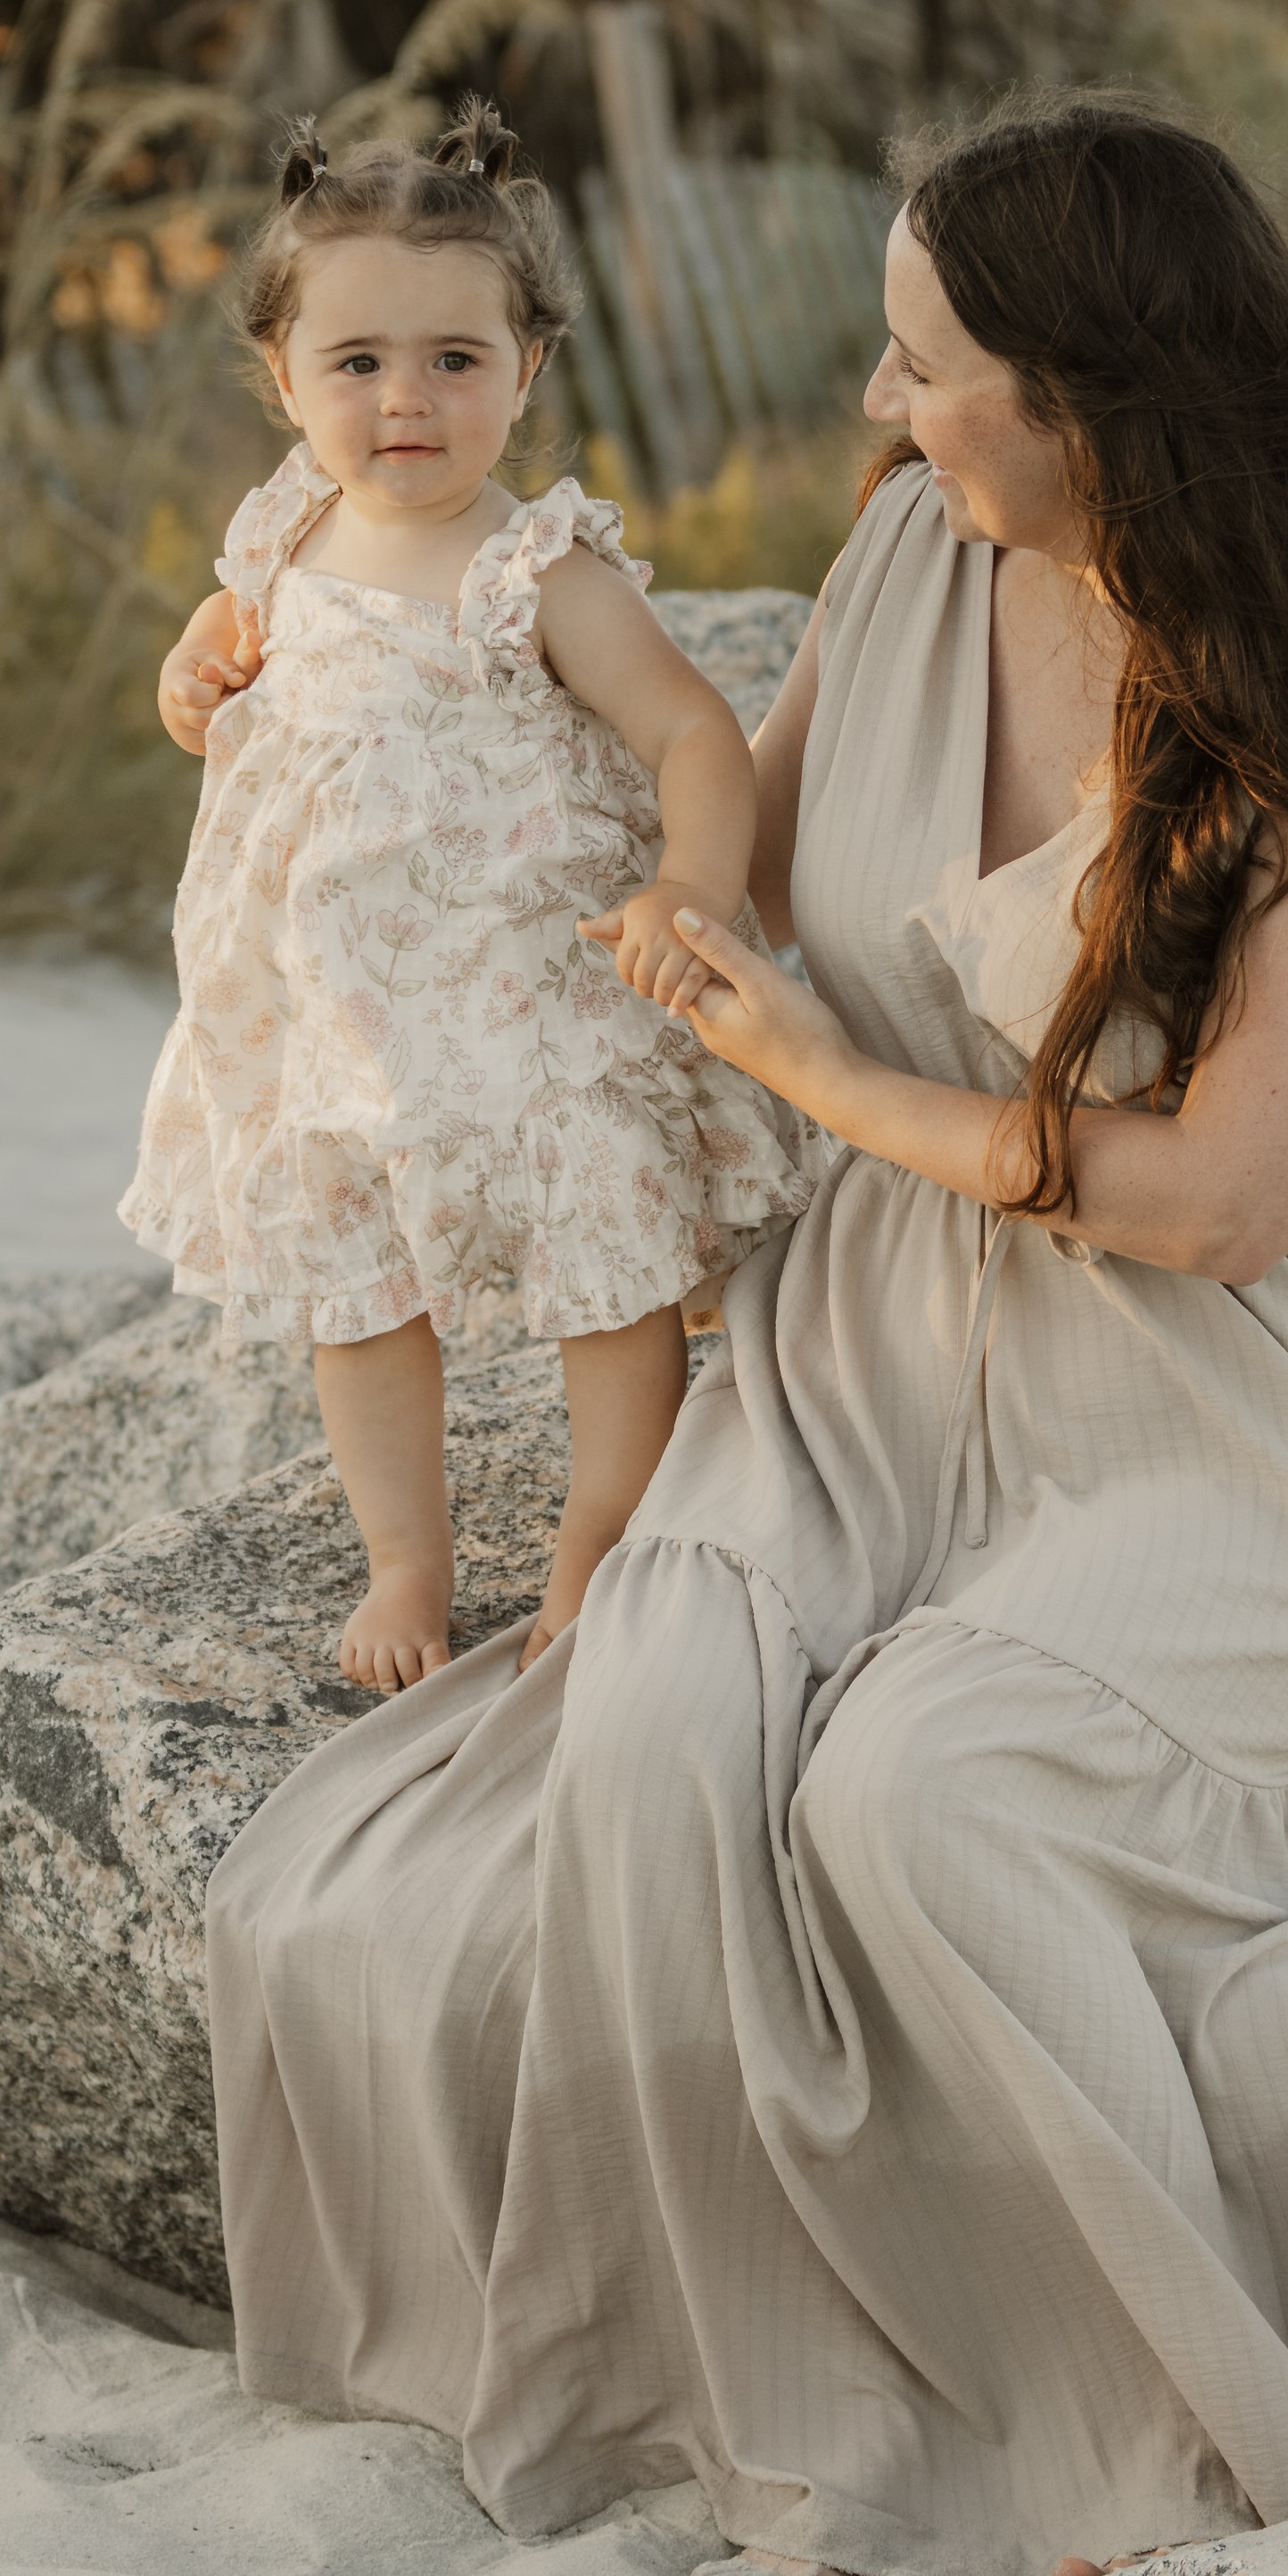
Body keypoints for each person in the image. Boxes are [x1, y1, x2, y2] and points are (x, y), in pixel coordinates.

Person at [205, 95, 1288, 2576]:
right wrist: (305, 679)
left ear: (1088, 396)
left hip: (1213, 1405)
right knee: (648, 1724)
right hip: (866, 1329)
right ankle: (776, 2421)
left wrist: (810, 1070)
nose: (878, 410)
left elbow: (1212, 1197)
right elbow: (683, 797)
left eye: (921, 365)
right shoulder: (901, 554)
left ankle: (1120, 2467)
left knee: (921, 1793)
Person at [122, 97, 821, 1693]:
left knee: (608, 1261)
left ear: (529, 370)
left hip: (535, 1001)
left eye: (455, 358)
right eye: (356, 363)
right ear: (283, 378)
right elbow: (224, 667)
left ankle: (600, 1528)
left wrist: (692, 882)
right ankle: (407, 1555)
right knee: (358, 1290)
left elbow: (692, 729)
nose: (407, 399)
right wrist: (191, 675)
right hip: (341, 1012)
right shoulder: (285, 531)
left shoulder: (535, 568)